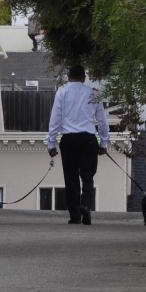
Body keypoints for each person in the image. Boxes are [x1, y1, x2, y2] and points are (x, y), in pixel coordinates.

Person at [46, 65, 109, 225]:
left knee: (71, 178)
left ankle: (75, 215)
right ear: (84, 78)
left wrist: (51, 143)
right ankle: (86, 205)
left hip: (69, 140)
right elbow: (102, 120)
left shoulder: (62, 92)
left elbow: (55, 119)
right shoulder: (94, 93)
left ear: (68, 77)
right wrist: (104, 142)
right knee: (88, 176)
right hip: (88, 139)